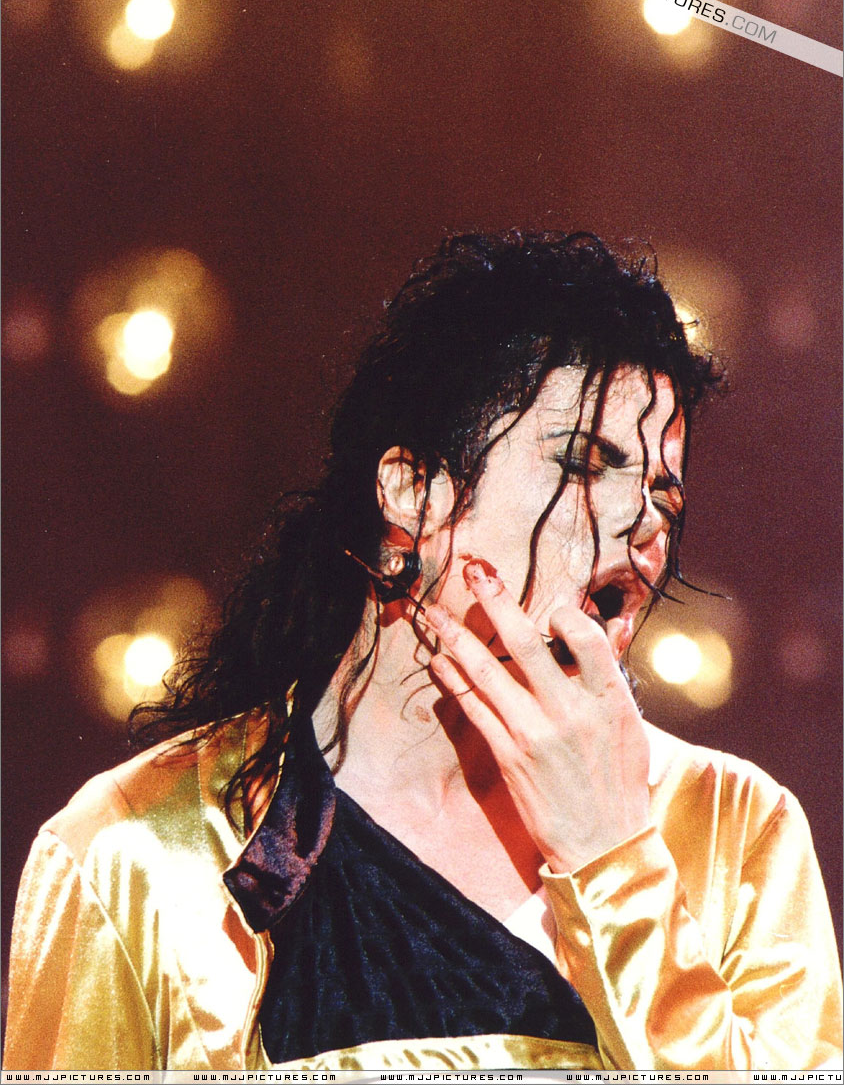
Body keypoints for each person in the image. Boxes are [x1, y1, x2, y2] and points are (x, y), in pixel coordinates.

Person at [4, 230, 841, 1071]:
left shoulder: (734, 829)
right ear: (414, 490)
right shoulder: (137, 853)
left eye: (664, 491)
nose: (643, 521)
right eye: (586, 463)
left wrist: (614, 863)